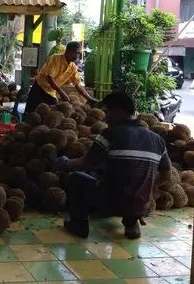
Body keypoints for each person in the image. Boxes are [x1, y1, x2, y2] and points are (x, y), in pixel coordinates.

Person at [54, 92, 172, 240]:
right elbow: (167, 176)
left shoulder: (109, 134)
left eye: (108, 111)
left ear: (119, 110)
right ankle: (131, 223)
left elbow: (84, 163)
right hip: (143, 205)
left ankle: (79, 225)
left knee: (76, 179)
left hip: (111, 203)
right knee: (125, 181)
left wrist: (64, 162)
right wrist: (146, 184)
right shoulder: (157, 140)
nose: (106, 116)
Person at [25, 41, 97, 113]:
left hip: (51, 92)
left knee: (51, 114)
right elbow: (49, 78)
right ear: (67, 51)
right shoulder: (55, 58)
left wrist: (89, 98)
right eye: (74, 52)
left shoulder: (73, 67)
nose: (77, 56)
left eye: (78, 53)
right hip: (39, 88)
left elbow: (78, 85)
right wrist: (61, 92)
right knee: (30, 112)